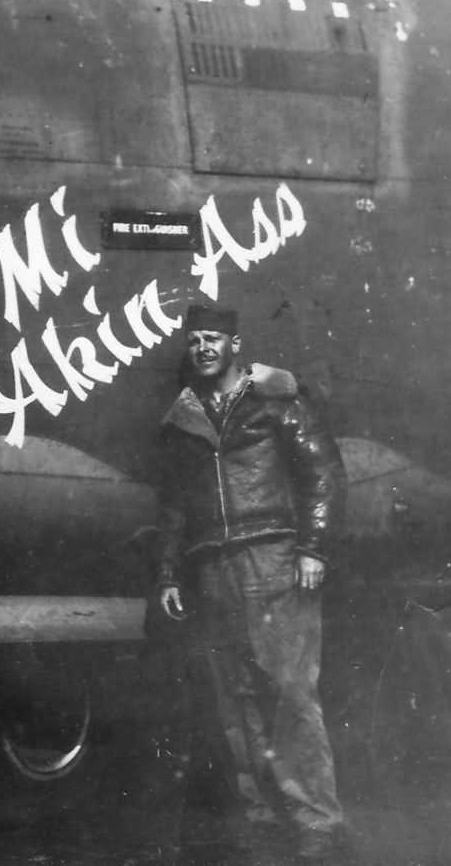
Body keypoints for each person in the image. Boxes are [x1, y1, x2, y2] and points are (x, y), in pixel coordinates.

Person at [155, 303, 348, 864]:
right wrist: (168, 573)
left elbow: (322, 473)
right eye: (194, 340)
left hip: (273, 558)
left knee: (289, 691)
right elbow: (171, 505)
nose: (203, 348)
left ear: (235, 344)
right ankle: (262, 814)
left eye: (213, 337)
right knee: (233, 699)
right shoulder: (182, 419)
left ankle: (316, 818)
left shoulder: (276, 402)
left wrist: (313, 547)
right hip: (213, 567)